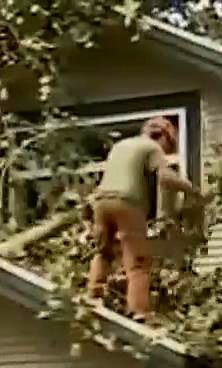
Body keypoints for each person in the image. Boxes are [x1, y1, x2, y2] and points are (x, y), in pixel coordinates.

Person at [86, 116, 202, 319]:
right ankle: (140, 311)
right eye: (169, 146)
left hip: (100, 203)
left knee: (104, 252)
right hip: (127, 203)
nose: (166, 152)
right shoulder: (152, 148)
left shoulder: (121, 145)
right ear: (164, 138)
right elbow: (165, 178)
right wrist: (192, 190)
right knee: (138, 263)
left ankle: (93, 296)